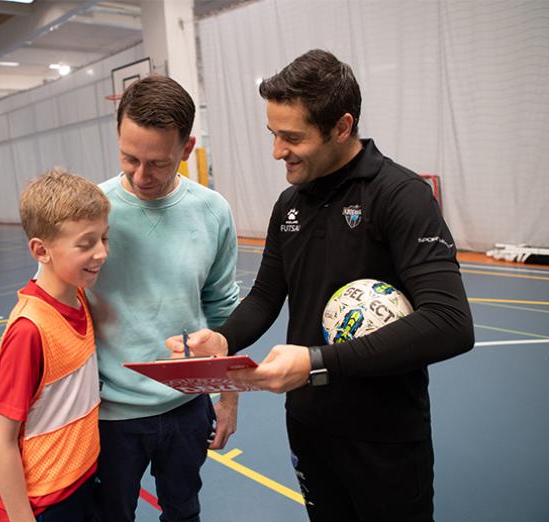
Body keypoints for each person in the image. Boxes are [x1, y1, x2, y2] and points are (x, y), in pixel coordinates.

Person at [167, 49, 475, 521]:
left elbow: (450, 322)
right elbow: (267, 296)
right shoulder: (290, 203)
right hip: (309, 424)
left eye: (292, 137)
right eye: (273, 134)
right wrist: (223, 338)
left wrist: (316, 362)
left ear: (341, 126)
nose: (277, 152)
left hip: (384, 433)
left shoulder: (400, 195)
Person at [87, 75, 240, 522]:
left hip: (187, 408)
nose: (140, 175)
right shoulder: (92, 208)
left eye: (157, 163)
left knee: (184, 512)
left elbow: (224, 311)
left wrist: (228, 399)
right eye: (129, 158)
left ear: (187, 149)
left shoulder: (213, 211)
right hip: (109, 415)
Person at [0, 168, 110, 522]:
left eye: (104, 237)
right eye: (86, 243)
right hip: (46, 501)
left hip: (84, 478)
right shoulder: (30, 330)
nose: (101, 252)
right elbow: (1, 438)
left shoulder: (79, 297)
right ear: (41, 250)